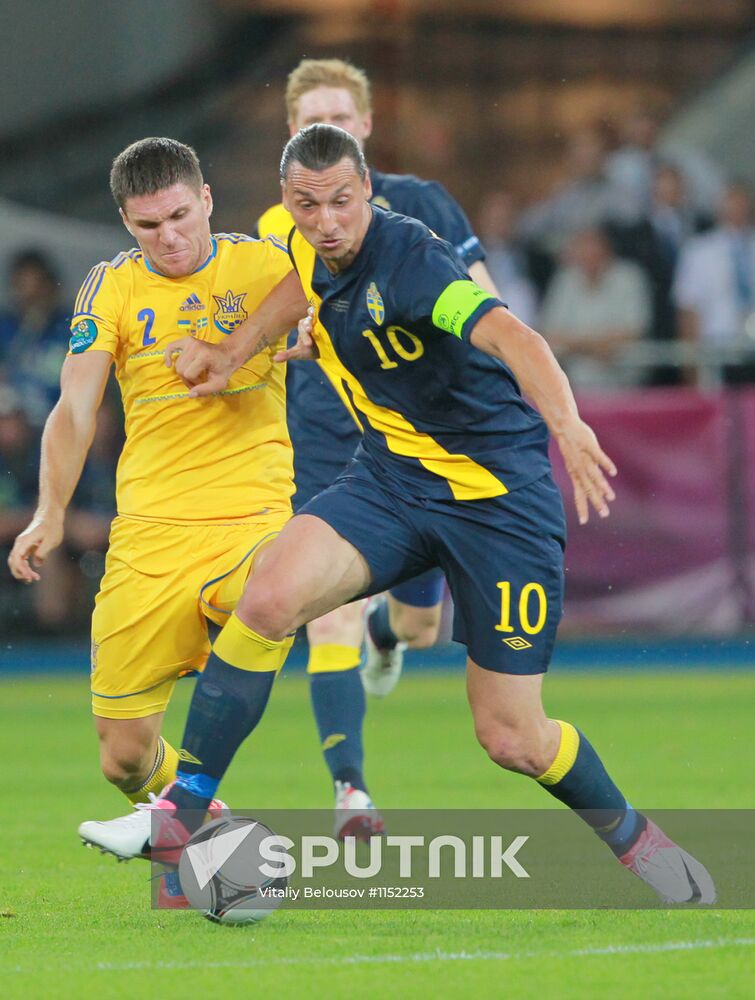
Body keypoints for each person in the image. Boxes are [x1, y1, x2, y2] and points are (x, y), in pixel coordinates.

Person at [84, 125, 715, 905]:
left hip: (496, 504)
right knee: (270, 595)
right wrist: (232, 346)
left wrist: (569, 424)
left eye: (342, 202)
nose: (326, 221)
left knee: (511, 738)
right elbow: (298, 290)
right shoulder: (308, 250)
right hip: (391, 482)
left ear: (366, 195)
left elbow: (511, 335)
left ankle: (634, 838)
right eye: (307, 205)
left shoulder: (413, 258)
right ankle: (181, 815)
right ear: (288, 203)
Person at [8, 137, 310, 904]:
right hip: (147, 536)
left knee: (269, 602)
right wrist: (50, 512)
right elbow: (75, 409)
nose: (168, 236)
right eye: (148, 225)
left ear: (206, 197)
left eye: (180, 215)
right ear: (125, 222)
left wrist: (306, 343)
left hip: (252, 517)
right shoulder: (109, 288)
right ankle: (226, 841)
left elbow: (331, 303)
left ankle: (370, 630)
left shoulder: (267, 263)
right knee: (122, 757)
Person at [254, 58, 500, 828]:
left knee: (421, 626)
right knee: (329, 616)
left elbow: (486, 303)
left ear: (364, 129)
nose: (324, 131)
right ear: (291, 136)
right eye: (307, 124)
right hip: (327, 441)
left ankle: (389, 638)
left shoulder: (422, 205)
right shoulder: (276, 227)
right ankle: (350, 791)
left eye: (338, 119)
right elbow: (261, 327)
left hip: (423, 439)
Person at [539, 227, 651, 389]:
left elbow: (633, 331)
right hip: (575, 383)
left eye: (594, 250)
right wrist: (597, 345)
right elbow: (550, 333)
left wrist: (577, 345)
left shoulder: (629, 277)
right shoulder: (565, 279)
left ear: (607, 251)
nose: (589, 258)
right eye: (582, 252)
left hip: (625, 381)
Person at [673, 182, 755, 384]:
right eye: (731, 202)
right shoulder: (699, 251)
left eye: (741, 203)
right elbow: (688, 308)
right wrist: (690, 363)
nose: (737, 209)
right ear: (719, 206)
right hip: (718, 348)